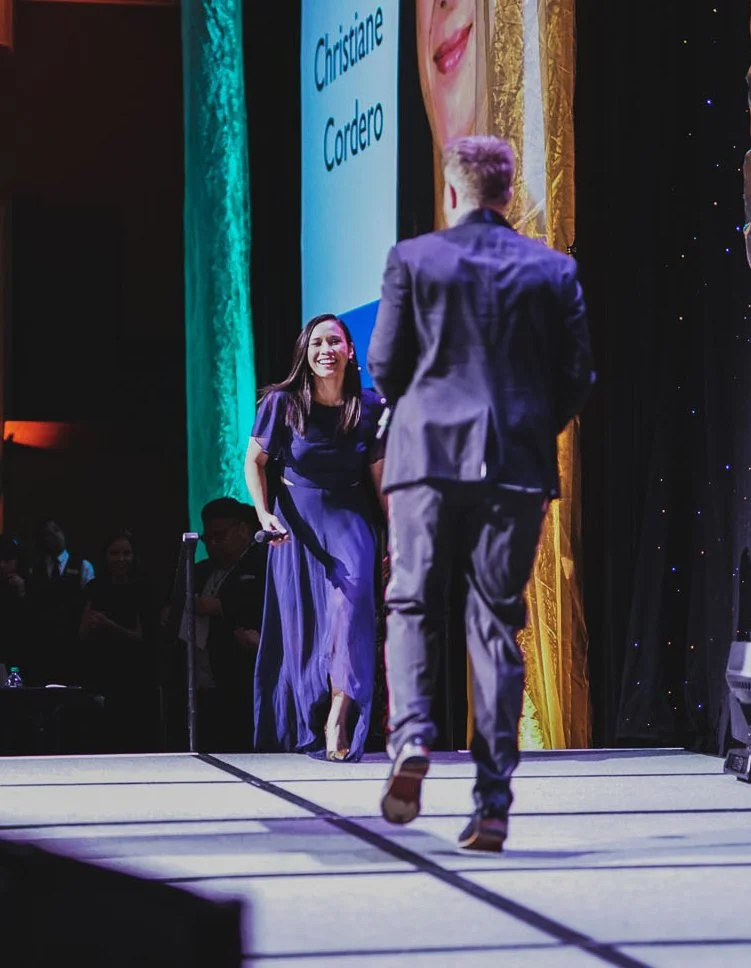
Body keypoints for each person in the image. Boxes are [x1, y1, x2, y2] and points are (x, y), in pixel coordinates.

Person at [368, 135, 594, 851]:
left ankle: (410, 738)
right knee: (495, 621)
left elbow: (384, 365)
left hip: (426, 457)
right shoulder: (552, 271)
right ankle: (492, 803)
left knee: (409, 601)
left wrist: (425, 412)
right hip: (514, 461)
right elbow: (577, 378)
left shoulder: (414, 259)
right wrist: (528, 425)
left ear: (452, 192)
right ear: (504, 192)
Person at [245, 314, 385, 762]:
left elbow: (381, 479)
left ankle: (338, 718)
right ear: (305, 352)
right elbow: (256, 462)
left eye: (335, 342)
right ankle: (309, 713)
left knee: (352, 611)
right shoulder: (282, 403)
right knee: (305, 630)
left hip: (349, 517)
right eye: (317, 342)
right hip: (295, 521)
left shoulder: (371, 406)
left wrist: (396, 536)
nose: (326, 350)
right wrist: (264, 513)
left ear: (349, 351)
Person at [164, 498, 266, 752]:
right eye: (207, 538)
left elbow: (266, 609)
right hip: (200, 673)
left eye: (219, 536)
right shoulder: (199, 570)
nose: (212, 544)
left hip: (239, 674)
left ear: (242, 529)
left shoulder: (264, 563)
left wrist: (223, 609)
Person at [79, 530, 158, 750]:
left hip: (135, 676)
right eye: (114, 553)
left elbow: (143, 637)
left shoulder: (144, 588)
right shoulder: (95, 588)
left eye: (126, 553)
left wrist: (108, 625)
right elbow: (81, 631)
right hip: (102, 673)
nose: (120, 559)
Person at [29, 518, 95, 684]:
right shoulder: (35, 569)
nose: (52, 536)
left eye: (56, 531)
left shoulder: (83, 566)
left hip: (73, 640)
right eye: (47, 533)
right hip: (43, 642)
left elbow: (91, 602)